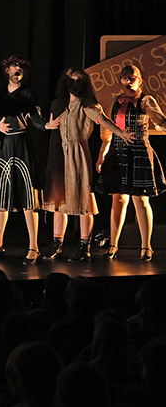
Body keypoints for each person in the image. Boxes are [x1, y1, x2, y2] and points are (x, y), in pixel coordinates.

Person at [43, 68, 130, 261]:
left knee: (83, 201)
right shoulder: (58, 104)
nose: (74, 85)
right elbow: (49, 124)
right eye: (70, 80)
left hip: (77, 155)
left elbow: (102, 120)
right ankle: (57, 245)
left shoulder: (87, 104)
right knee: (59, 202)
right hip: (58, 155)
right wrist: (47, 126)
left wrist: (121, 133)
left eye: (78, 81)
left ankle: (84, 247)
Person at [0, 56, 58, 264]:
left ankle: (33, 247)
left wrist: (47, 126)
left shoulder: (28, 93)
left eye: (22, 68)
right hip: (3, 147)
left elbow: (35, 116)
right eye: (14, 67)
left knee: (28, 197)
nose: (18, 70)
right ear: (6, 70)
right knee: (1, 197)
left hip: (21, 147)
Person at [97, 64, 165, 261]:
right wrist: (103, 153)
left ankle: (146, 247)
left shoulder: (146, 100)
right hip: (119, 152)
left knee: (140, 199)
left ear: (139, 80)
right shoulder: (116, 101)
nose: (128, 81)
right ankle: (113, 245)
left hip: (139, 153)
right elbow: (108, 129)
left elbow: (160, 121)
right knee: (118, 199)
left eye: (132, 77)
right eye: (124, 77)